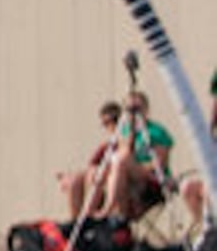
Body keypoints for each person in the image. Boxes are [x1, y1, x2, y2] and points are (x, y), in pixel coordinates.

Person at [94, 90, 173, 222]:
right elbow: (121, 154)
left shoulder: (156, 132)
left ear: (146, 110)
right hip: (126, 174)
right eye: (129, 110)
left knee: (121, 161)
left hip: (152, 177)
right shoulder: (124, 131)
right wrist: (131, 134)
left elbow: (160, 164)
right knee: (93, 173)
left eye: (136, 109)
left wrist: (134, 166)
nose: (133, 114)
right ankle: (88, 215)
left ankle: (109, 209)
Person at [57, 101, 122, 220]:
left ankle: (88, 217)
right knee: (75, 180)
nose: (111, 127)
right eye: (106, 124)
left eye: (114, 121)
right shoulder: (106, 147)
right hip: (99, 183)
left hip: (117, 185)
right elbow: (92, 164)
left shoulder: (132, 141)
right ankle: (76, 222)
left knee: (93, 174)